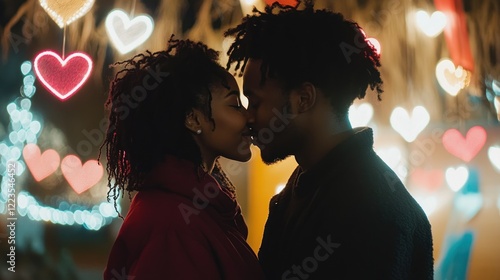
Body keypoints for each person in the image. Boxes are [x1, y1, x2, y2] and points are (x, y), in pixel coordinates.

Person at [225, 1, 434, 279]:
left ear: (303, 99)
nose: (248, 118)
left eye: (255, 101)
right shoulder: (306, 185)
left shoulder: (372, 207)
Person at [101, 37, 264, 280]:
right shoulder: (173, 226)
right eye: (235, 105)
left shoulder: (192, 206)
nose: (250, 118)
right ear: (193, 119)